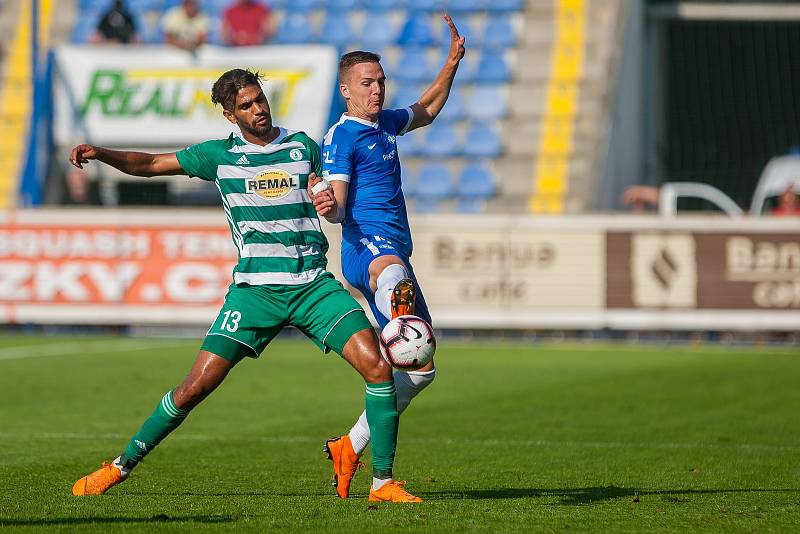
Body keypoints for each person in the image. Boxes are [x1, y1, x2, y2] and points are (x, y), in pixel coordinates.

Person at [68, 69, 420, 503]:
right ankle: (118, 467)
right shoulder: (218, 156)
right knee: (193, 388)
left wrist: (325, 200)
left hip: (312, 287)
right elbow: (151, 165)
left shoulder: (304, 146)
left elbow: (329, 198)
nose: (259, 110)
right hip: (254, 292)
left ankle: (382, 484)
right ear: (230, 115)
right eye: (247, 106)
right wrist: (102, 153)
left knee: (378, 369)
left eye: (260, 99)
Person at [318, 14, 465, 499]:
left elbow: (425, 110)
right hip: (368, 253)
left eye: (380, 81)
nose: (377, 90)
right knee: (395, 281)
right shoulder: (343, 136)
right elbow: (338, 204)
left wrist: (451, 63)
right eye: (367, 83)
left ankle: (349, 445)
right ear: (346, 90)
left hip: (394, 250)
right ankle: (383, 480)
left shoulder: (383, 124)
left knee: (422, 368)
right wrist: (329, 205)